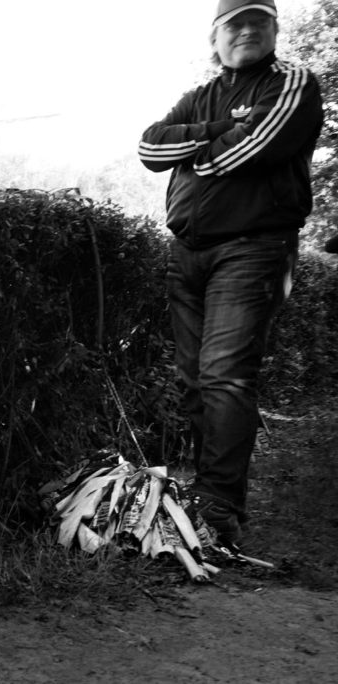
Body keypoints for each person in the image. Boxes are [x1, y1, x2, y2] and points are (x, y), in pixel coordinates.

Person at [138, 0, 322, 548]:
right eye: (233, 24)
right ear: (214, 38)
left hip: (253, 249)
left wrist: (195, 146)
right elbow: (149, 147)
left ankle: (220, 509)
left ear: (274, 30)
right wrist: (221, 126)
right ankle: (203, 491)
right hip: (188, 251)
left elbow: (244, 154)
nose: (245, 31)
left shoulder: (291, 82)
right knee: (192, 380)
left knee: (224, 375)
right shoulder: (199, 95)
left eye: (257, 22)